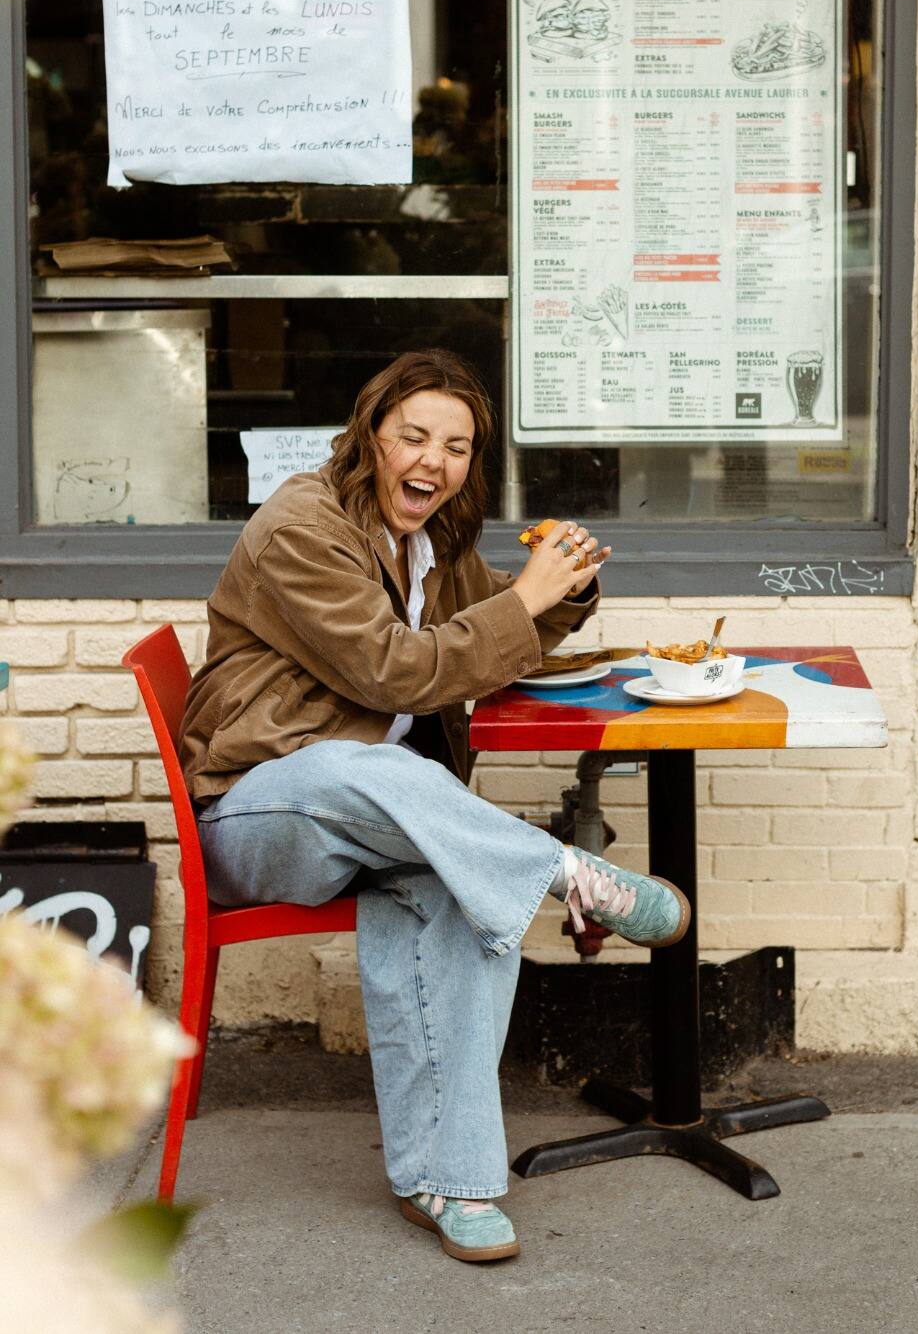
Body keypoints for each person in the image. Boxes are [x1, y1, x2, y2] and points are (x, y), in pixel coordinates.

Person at [179, 350, 689, 1263]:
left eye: (456, 447)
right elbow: (393, 668)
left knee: (466, 894)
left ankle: (447, 1183)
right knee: (351, 765)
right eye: (413, 436)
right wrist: (522, 604)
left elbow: (485, 628)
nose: (434, 460)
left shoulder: (431, 539)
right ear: (369, 435)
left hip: (384, 816)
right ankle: (560, 870)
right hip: (261, 813)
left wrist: (560, 591)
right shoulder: (303, 524)